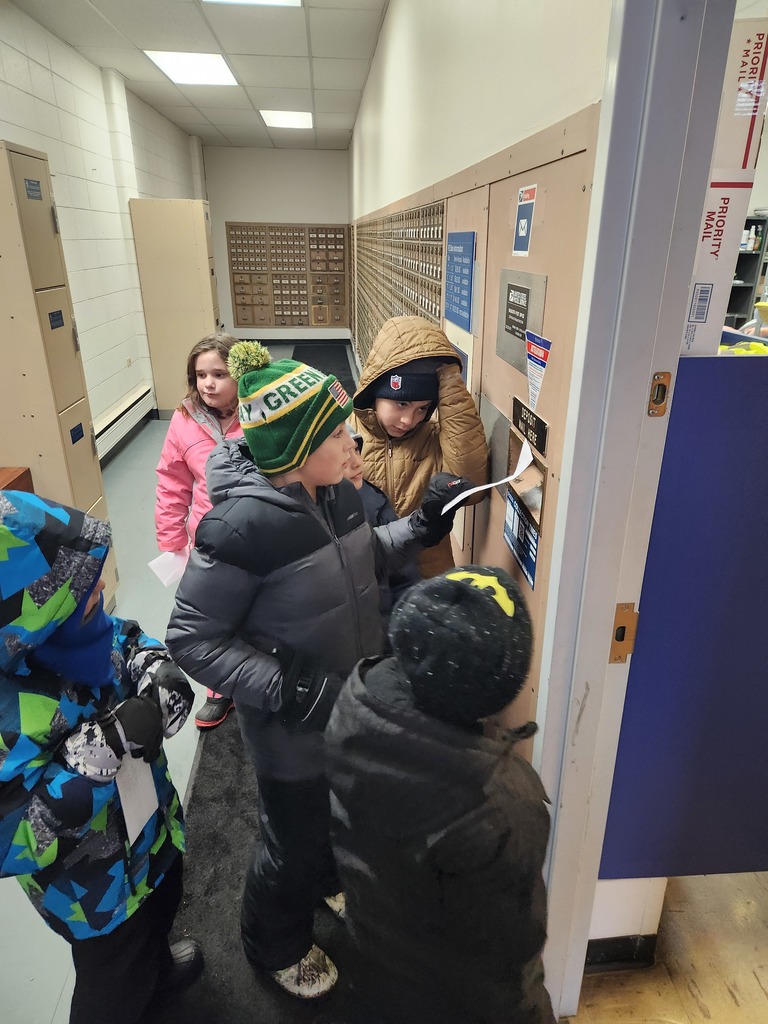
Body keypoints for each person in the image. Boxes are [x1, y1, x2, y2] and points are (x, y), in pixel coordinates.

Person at [165, 341, 473, 1001]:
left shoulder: (335, 494)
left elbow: (362, 553)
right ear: (295, 449)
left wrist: (421, 525)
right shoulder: (240, 528)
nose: (351, 442)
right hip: (291, 726)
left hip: (346, 697)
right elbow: (192, 637)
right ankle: (273, 942)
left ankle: (330, 878)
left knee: (337, 813)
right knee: (292, 841)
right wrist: (288, 689)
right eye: (335, 434)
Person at [0, 490, 201, 1024]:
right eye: (87, 600)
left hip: (150, 831)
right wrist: (101, 749)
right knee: (112, 983)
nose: (104, 593)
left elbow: (124, 636)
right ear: (35, 629)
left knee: (164, 904)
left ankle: (158, 975)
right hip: (92, 891)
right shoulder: (7, 717)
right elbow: (11, 834)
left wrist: (154, 668)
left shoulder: (80, 635)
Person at [325, 565, 555, 1024]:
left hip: (376, 946)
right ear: (500, 684)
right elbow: (507, 961)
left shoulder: (359, 706)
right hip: (453, 998)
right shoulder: (502, 805)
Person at [353, 315, 489, 578]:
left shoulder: (434, 439)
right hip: (366, 576)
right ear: (374, 394)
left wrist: (449, 378)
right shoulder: (344, 436)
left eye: (423, 408)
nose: (409, 420)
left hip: (427, 576)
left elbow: (472, 489)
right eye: (401, 404)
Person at [155, 332, 243, 731]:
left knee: (260, 609)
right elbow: (172, 481)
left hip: (259, 530)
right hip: (209, 539)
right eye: (200, 375)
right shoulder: (185, 419)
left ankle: (261, 679)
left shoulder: (262, 410)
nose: (208, 383)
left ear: (240, 373)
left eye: (219, 374)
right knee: (212, 615)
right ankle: (220, 688)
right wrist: (171, 537)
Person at [343, 423, 421, 624]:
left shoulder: (374, 500)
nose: (357, 463)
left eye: (356, 450)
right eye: (344, 454)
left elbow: (405, 580)